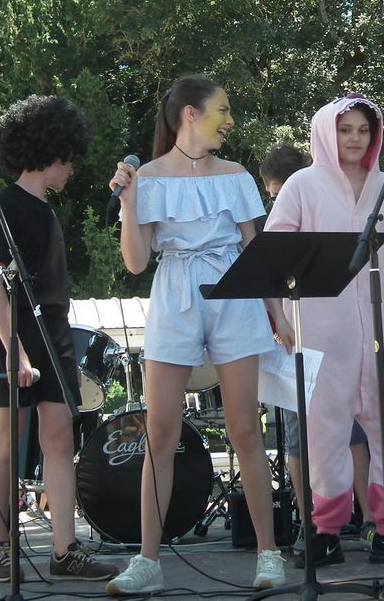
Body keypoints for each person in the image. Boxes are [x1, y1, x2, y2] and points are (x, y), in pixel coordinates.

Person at [106, 75, 290, 594]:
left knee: (245, 430)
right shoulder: (147, 177)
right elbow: (137, 262)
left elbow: (258, 252)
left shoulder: (236, 176)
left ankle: (268, 553)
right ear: (190, 113)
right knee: (159, 431)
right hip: (174, 289)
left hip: (233, 290)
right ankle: (148, 561)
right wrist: (128, 200)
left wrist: (278, 314)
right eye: (222, 110)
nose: (229, 121)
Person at [265, 95, 384, 566]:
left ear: (375, 135)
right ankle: (324, 533)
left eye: (364, 130)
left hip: (376, 330)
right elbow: (275, 252)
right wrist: (280, 315)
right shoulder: (302, 185)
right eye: (346, 130)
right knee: (325, 435)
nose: (355, 138)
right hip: (322, 331)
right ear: (327, 131)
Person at [0, 94, 118, 584]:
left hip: (54, 335)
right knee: (6, 442)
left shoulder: (46, 212)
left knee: (60, 437)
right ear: (51, 151)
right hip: (11, 333)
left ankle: (65, 550)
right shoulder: (5, 205)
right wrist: (13, 347)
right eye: (70, 159)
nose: (72, 169)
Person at [257, 144, 375, 557]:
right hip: (301, 336)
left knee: (337, 431)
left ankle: (350, 524)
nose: (276, 199)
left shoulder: (322, 209)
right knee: (305, 433)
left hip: (327, 335)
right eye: (273, 194)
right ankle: (329, 524)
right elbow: (268, 274)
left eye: (275, 191)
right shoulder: (289, 215)